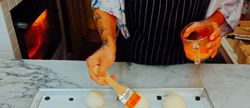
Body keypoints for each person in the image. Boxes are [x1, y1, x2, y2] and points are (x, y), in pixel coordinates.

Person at [87, 0, 243, 85]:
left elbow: (228, 4)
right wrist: (108, 43)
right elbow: (105, 3)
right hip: (131, 57)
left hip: (186, 66)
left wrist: (210, 24)